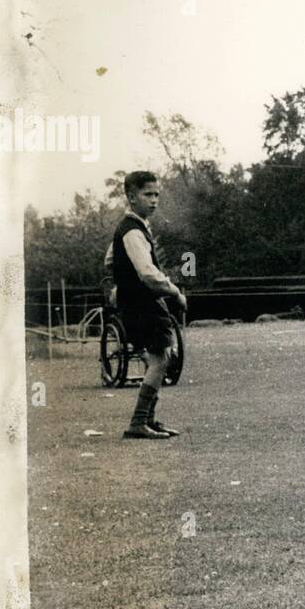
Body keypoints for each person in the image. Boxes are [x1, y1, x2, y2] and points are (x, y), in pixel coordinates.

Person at [110, 171, 187, 439]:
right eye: (148, 195)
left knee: (160, 358)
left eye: (156, 195)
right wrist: (175, 292)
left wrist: (119, 284)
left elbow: (110, 261)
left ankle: (148, 420)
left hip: (138, 302)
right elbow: (147, 272)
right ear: (132, 197)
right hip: (143, 304)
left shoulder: (135, 227)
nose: (154, 200)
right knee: (161, 358)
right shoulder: (132, 230)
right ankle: (139, 421)